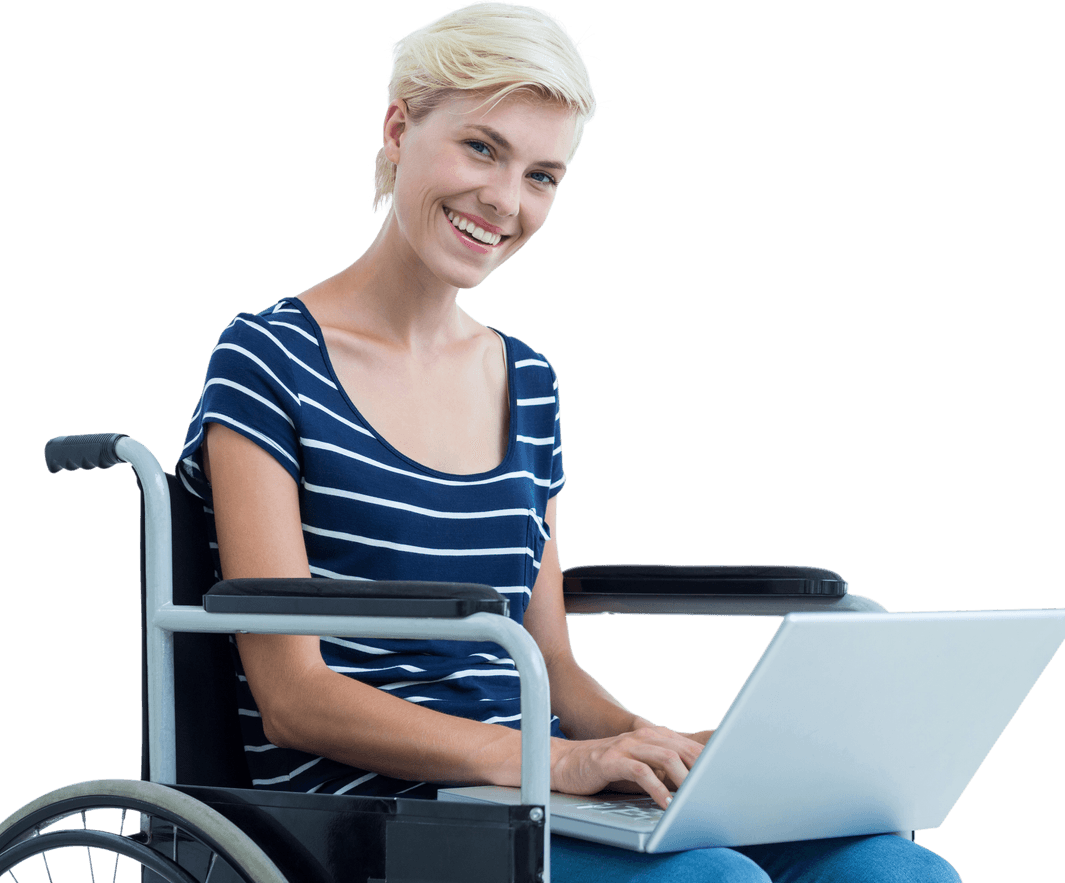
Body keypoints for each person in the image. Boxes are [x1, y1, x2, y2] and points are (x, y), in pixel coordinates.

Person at [176, 3, 961, 880]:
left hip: (536, 784)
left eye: (543, 175)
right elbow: (292, 697)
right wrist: (548, 762)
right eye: (482, 147)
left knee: (894, 867)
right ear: (398, 125)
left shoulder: (530, 382)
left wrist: (653, 746)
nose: (505, 202)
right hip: (377, 813)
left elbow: (550, 661)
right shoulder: (266, 357)